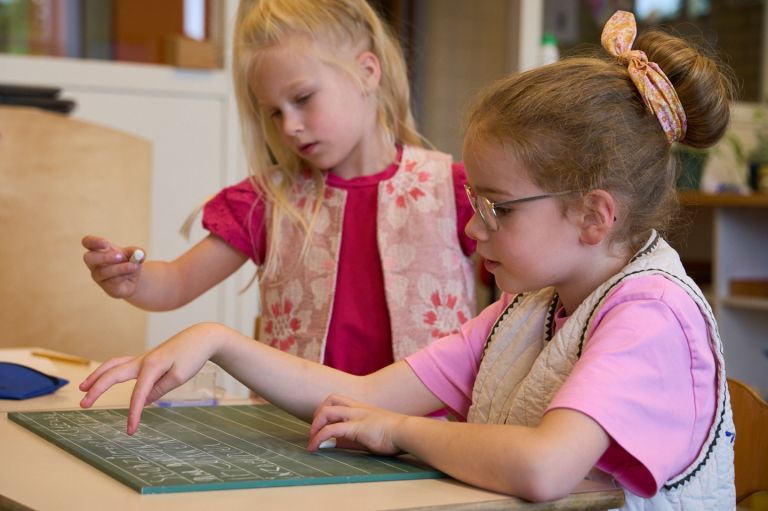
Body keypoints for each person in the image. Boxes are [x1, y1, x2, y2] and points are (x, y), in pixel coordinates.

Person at [80, 11, 736, 508]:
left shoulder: (651, 314)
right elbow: (362, 395)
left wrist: (399, 431)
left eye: (498, 208)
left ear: (594, 215)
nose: (473, 227)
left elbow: (543, 467)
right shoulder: (525, 310)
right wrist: (217, 339)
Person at [81, 0, 476, 376]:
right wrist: (133, 280)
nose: (289, 126)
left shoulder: (452, 190)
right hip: (296, 421)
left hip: (422, 422)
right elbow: (177, 282)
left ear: (367, 72)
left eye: (303, 99)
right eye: (274, 112)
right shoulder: (268, 201)